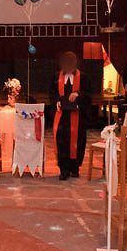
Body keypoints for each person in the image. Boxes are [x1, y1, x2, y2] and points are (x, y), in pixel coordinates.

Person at [50, 51, 92, 180]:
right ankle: (64, 169)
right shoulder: (57, 76)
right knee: (62, 142)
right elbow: (52, 93)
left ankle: (75, 168)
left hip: (78, 117)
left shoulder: (83, 77)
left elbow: (89, 95)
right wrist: (56, 101)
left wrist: (78, 94)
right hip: (62, 116)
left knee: (77, 142)